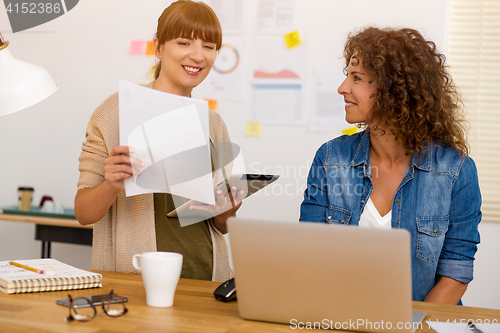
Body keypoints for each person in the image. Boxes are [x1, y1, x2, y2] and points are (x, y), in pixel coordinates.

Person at [299, 27, 481, 304]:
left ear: (393, 89)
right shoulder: (330, 157)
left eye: (356, 78)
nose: (342, 88)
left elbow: (455, 274)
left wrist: (409, 327)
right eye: (347, 76)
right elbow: (309, 253)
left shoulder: (456, 170)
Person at [75, 0, 243, 282]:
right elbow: (84, 213)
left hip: (207, 278)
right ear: (159, 47)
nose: (198, 56)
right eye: (184, 42)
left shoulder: (214, 124)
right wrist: (111, 185)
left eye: (209, 47)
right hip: (138, 280)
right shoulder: (112, 114)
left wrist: (227, 208)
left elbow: (222, 226)